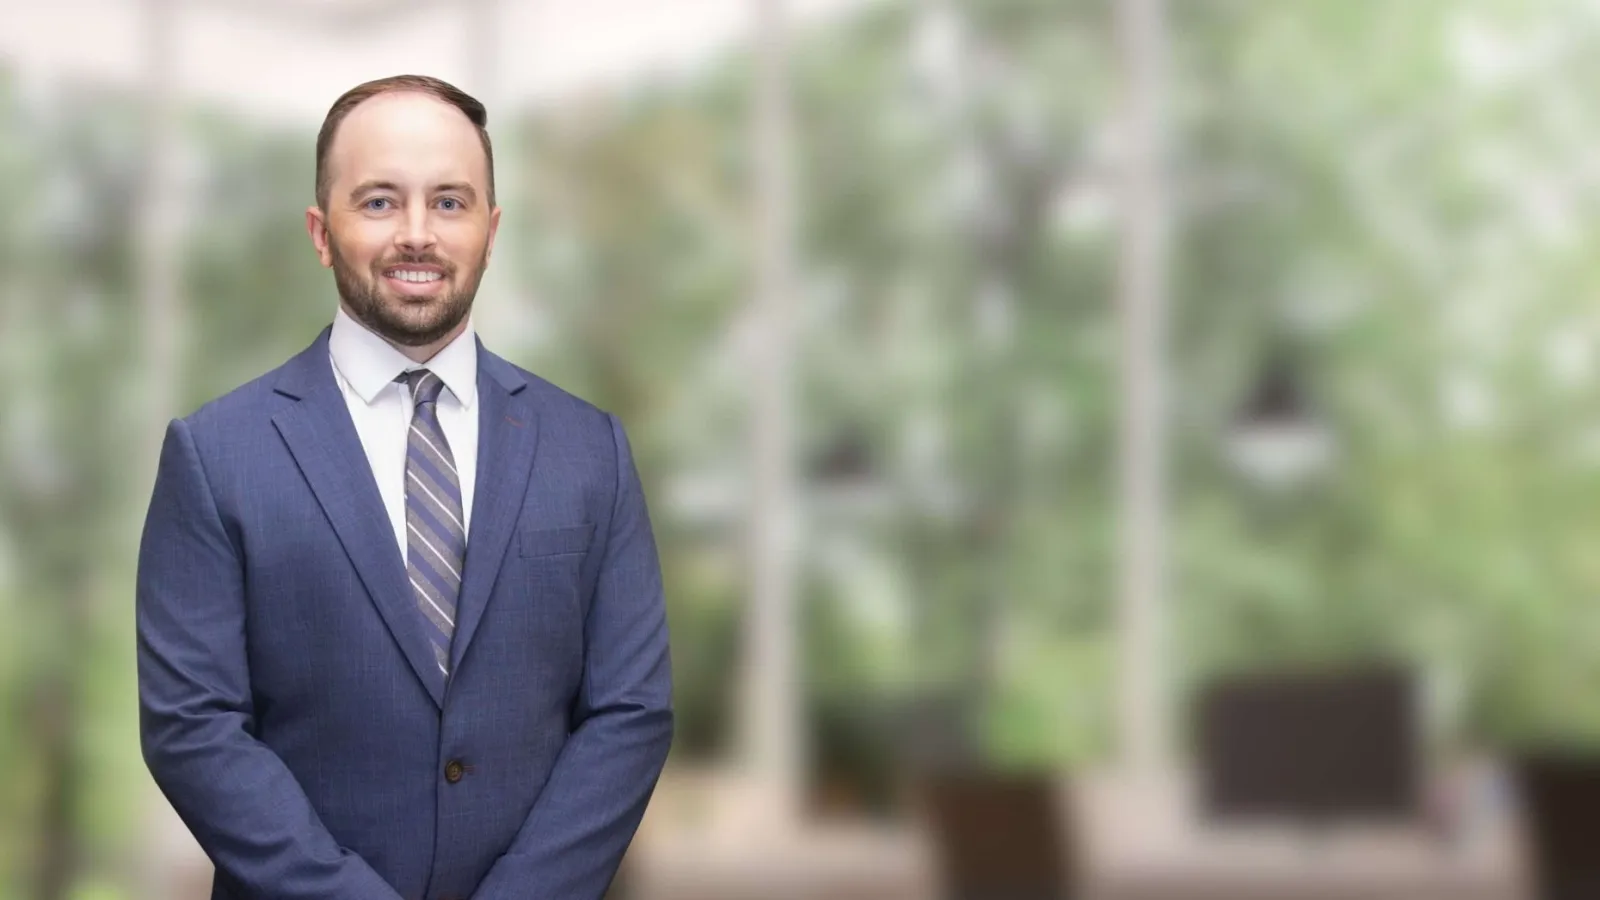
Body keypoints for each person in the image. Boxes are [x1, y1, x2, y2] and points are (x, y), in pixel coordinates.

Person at [135, 74, 674, 900]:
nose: (417, 234)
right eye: (380, 201)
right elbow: (192, 727)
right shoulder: (215, 456)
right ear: (321, 231)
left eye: (450, 203)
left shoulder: (589, 449)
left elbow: (630, 713)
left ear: (492, 231)